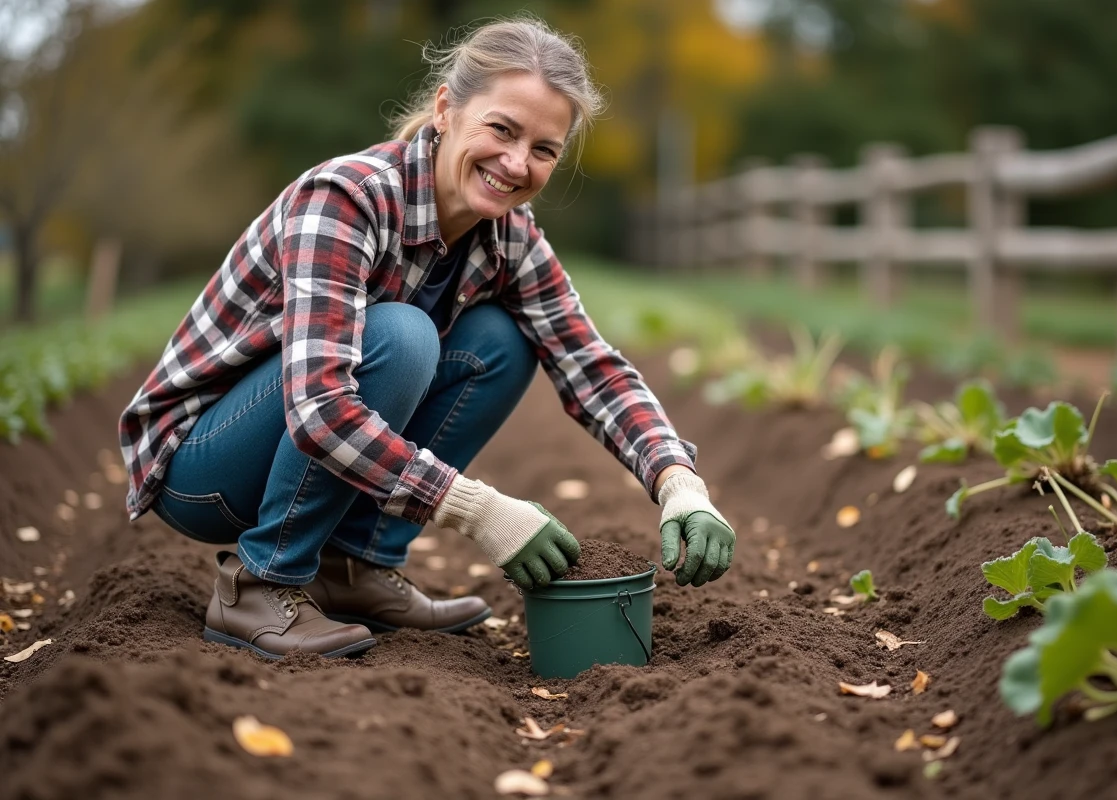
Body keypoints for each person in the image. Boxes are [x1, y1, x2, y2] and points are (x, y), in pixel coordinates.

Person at [117, 17, 736, 661]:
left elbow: (591, 365)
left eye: (545, 149)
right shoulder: (346, 200)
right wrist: (477, 509)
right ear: (446, 107)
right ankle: (261, 582)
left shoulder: (510, 238)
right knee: (401, 336)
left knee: (501, 341)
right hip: (202, 469)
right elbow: (319, 408)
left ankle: (351, 570)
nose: (517, 163)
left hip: (295, 444)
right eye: (501, 129)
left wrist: (678, 482)